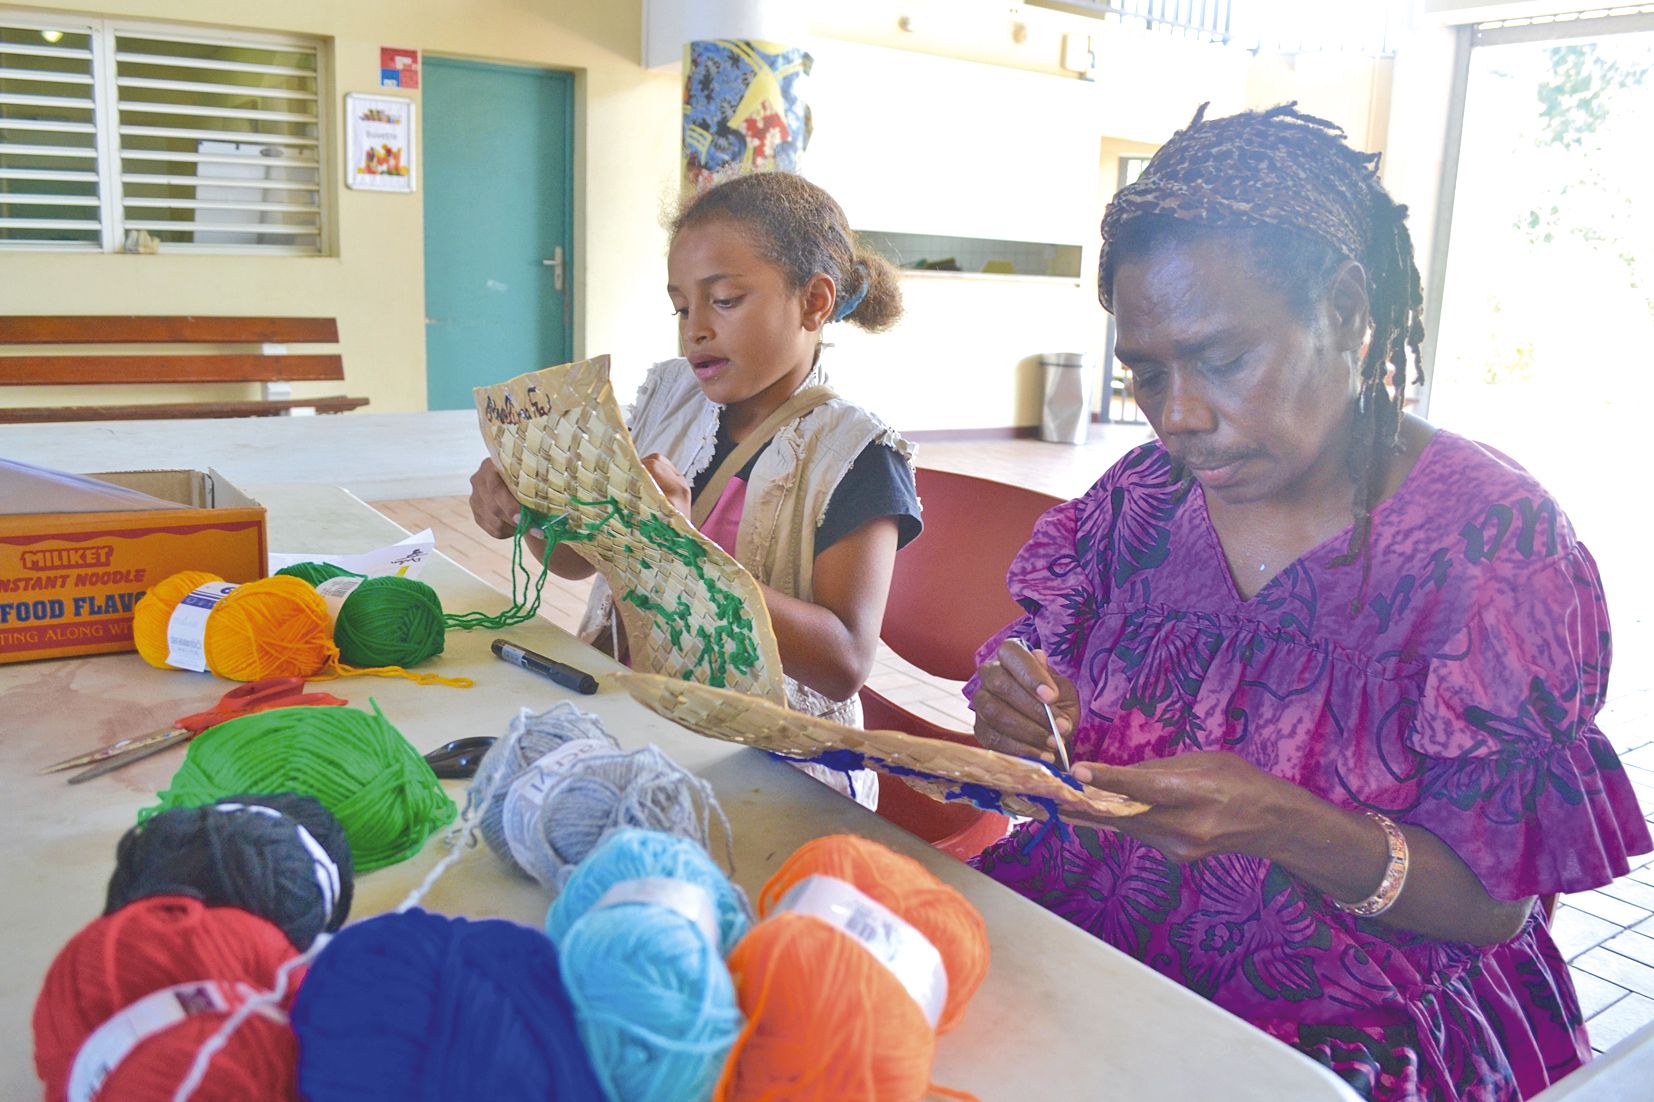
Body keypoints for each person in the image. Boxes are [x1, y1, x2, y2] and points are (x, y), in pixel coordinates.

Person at [968, 104, 1651, 1101]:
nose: (1179, 416)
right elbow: (1043, 708)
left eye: (1223, 359)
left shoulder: (1491, 547)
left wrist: (1285, 823)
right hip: (1101, 940)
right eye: (1146, 373)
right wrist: (1021, 709)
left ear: (1343, 308)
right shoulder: (1138, 502)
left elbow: (1493, 905)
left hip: (1358, 1020)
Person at [470, 171, 922, 806]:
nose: (695, 330)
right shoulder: (669, 398)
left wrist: (681, 556)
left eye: (726, 300)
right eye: (681, 307)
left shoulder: (854, 454)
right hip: (628, 711)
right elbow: (579, 562)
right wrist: (531, 513)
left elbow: (844, 661)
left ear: (815, 303)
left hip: (771, 768)